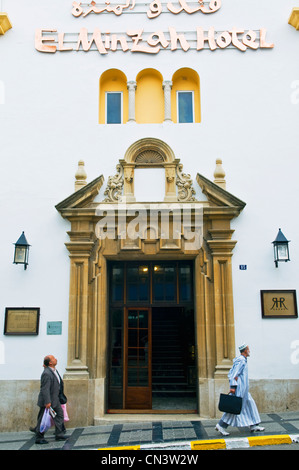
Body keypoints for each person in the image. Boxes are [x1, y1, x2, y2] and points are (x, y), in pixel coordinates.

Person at [216, 343, 265, 436]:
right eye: (248, 349)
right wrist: (233, 387)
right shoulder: (241, 361)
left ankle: (253, 425)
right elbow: (233, 374)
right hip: (239, 390)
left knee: (250, 404)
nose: (249, 351)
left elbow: (233, 373)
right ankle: (221, 425)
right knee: (235, 408)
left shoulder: (243, 360)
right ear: (245, 350)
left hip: (244, 390)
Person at [34, 355, 69, 444]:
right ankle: (39, 437)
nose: (56, 359)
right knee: (42, 419)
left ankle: (59, 434)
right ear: (50, 362)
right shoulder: (46, 373)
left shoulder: (54, 371)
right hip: (48, 401)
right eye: (53, 358)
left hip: (55, 399)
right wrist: (47, 401)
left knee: (60, 415)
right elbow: (45, 389)